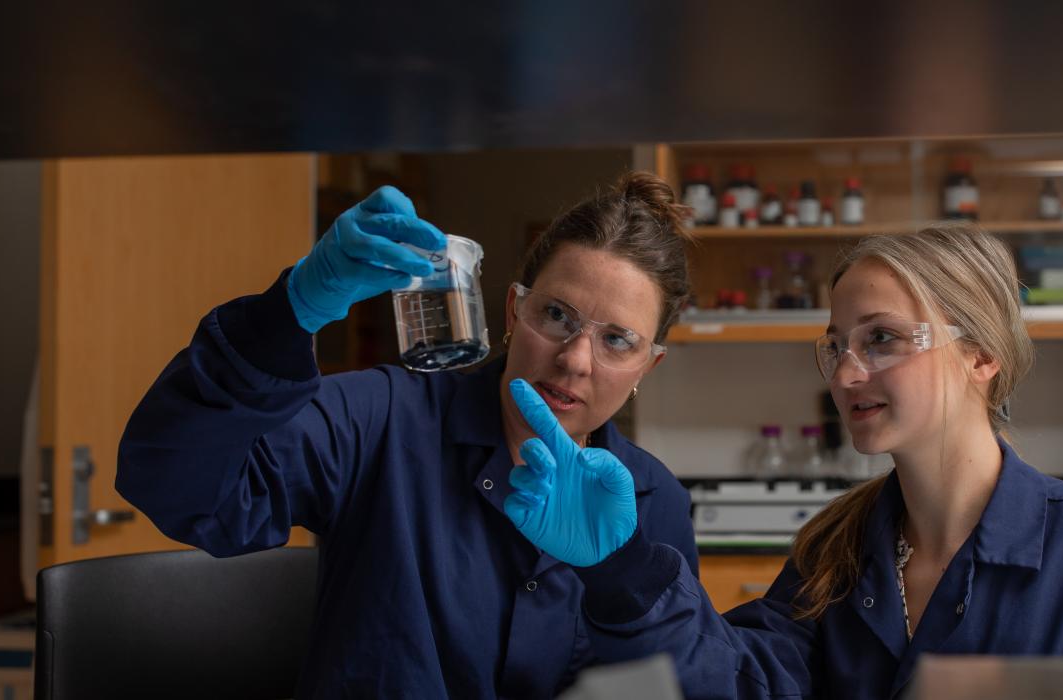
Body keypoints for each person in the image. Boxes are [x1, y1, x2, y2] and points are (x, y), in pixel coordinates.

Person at [503, 224, 1063, 698]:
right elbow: (744, 685)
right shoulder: (838, 552)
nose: (846, 374)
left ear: (981, 354)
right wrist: (620, 571)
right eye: (837, 345)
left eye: (882, 339)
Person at [116, 172, 700, 698]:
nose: (575, 359)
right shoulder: (385, 418)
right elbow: (178, 487)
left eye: (618, 340)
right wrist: (288, 313)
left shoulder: (656, 505)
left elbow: (677, 678)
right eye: (556, 316)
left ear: (649, 365)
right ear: (511, 311)